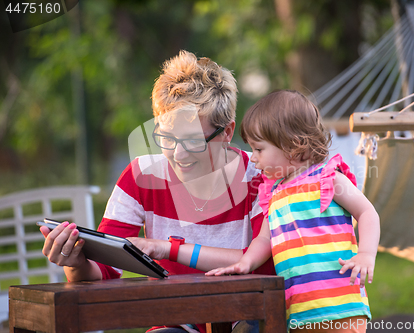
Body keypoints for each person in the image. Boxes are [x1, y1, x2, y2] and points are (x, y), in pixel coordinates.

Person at [39, 50, 274, 333]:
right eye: (166, 138)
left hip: (247, 316)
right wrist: (75, 263)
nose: (178, 154)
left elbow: (263, 262)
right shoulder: (141, 177)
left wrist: (169, 249)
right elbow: (105, 271)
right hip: (176, 321)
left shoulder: (261, 176)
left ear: (226, 132)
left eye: (192, 141)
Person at [206, 90, 380, 333]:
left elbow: (367, 213)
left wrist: (366, 254)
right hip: (298, 309)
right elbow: (264, 239)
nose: (253, 158)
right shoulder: (273, 193)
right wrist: (245, 262)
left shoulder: (328, 178)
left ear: (293, 145)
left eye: (259, 149)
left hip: (340, 304)